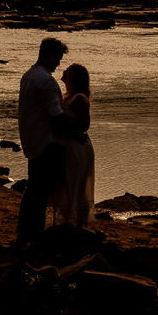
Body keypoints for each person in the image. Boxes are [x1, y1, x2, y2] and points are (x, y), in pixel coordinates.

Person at [15, 37, 78, 246]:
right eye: (58, 59)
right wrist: (75, 133)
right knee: (41, 191)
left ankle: (23, 234)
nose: (58, 64)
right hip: (47, 141)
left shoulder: (29, 75)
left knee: (32, 187)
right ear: (50, 56)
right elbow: (55, 114)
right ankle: (35, 236)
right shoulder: (46, 81)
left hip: (32, 139)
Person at [52, 63, 95, 225]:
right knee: (65, 183)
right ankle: (67, 222)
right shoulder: (65, 97)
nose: (64, 71)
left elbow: (85, 125)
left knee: (77, 183)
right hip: (67, 144)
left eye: (69, 70)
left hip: (78, 146)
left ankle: (80, 223)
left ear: (77, 77)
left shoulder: (79, 98)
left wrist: (62, 123)